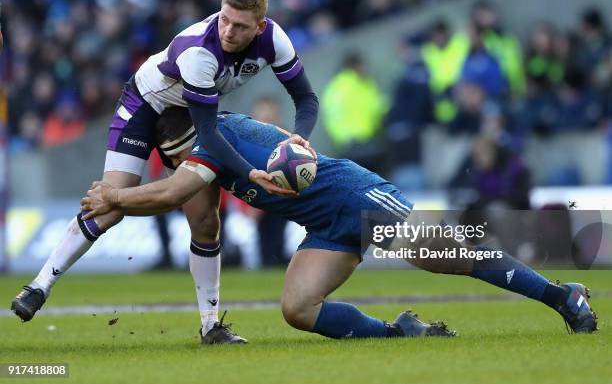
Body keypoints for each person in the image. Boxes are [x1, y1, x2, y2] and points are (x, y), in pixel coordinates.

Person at [81, 108, 597, 340]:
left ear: (184, 147)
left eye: (175, 159)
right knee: (298, 308)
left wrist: (114, 195)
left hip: (356, 194)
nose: (179, 170)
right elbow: (189, 206)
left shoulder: (214, 143)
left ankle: (562, 296)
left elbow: (172, 191)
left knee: (454, 258)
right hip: (326, 226)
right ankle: (398, 334)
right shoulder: (214, 147)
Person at [11, 0, 320, 345]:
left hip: (184, 115)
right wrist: (250, 172)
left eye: (240, 26)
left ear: (260, 26)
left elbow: (306, 98)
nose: (228, 31)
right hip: (144, 107)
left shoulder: (275, 39)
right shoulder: (199, 54)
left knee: (206, 220)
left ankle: (210, 326)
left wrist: (299, 136)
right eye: (224, 19)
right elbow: (208, 135)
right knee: (111, 203)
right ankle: (39, 285)